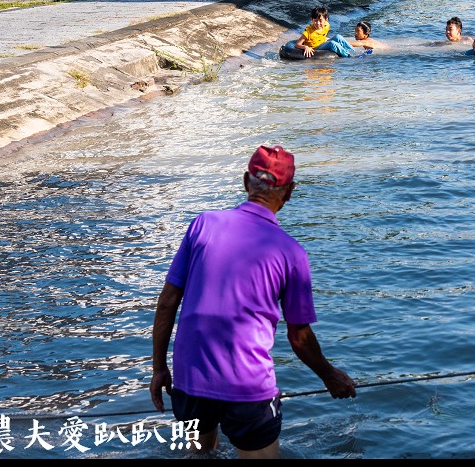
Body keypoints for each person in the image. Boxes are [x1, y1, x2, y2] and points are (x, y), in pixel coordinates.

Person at [150, 145, 356, 458]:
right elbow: (299, 338)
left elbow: (167, 302)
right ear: (289, 193)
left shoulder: (202, 225)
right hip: (247, 387)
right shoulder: (291, 253)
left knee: (199, 455)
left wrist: (159, 368)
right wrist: (330, 376)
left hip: (190, 381)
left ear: (246, 182)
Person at [288, 6, 355, 57]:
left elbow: (322, 36)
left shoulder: (326, 25)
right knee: (332, 43)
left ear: (326, 20)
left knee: (338, 37)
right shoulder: (308, 31)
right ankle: (348, 56)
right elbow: (297, 44)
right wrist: (306, 47)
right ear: (312, 19)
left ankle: (353, 52)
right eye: (315, 20)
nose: (318, 23)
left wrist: (329, 40)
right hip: (316, 48)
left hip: (322, 43)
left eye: (320, 20)